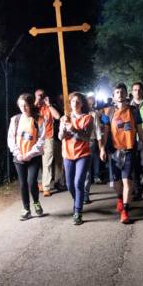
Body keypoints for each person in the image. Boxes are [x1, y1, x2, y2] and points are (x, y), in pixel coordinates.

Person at [100, 83, 143, 224]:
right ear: (113, 96)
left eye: (122, 92)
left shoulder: (134, 111)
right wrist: (102, 148)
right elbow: (105, 132)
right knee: (116, 182)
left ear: (126, 94)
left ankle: (125, 211)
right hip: (114, 151)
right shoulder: (107, 112)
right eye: (117, 92)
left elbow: (139, 130)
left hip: (129, 150)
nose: (120, 94)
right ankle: (120, 198)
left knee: (127, 180)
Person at [7, 93, 46, 220]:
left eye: (25, 105)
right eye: (20, 105)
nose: (23, 108)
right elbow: (11, 139)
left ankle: (36, 202)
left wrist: (29, 154)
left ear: (30, 105)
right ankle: (26, 209)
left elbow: (41, 140)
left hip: (33, 157)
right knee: (23, 183)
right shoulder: (15, 119)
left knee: (31, 182)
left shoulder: (39, 119)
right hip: (19, 157)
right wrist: (18, 154)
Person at [59, 92, 94, 225]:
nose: (75, 104)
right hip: (67, 154)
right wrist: (63, 129)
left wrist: (73, 129)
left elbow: (86, 137)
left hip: (83, 154)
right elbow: (60, 137)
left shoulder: (87, 118)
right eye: (73, 101)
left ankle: (78, 211)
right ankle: (77, 201)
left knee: (78, 182)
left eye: (78, 101)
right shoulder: (65, 118)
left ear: (82, 103)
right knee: (69, 185)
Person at [35, 88, 60, 197]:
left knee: (47, 162)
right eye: (38, 95)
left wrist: (49, 104)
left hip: (48, 138)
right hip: (35, 139)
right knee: (36, 163)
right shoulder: (34, 107)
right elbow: (30, 113)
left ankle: (46, 187)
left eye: (42, 95)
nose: (40, 97)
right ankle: (39, 183)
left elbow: (58, 116)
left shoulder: (48, 107)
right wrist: (37, 100)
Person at [84, 94, 104, 204]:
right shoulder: (73, 114)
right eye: (90, 103)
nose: (91, 105)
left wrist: (101, 148)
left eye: (92, 104)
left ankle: (85, 195)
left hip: (90, 143)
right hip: (75, 145)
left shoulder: (93, 114)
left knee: (87, 170)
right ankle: (81, 192)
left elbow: (97, 132)